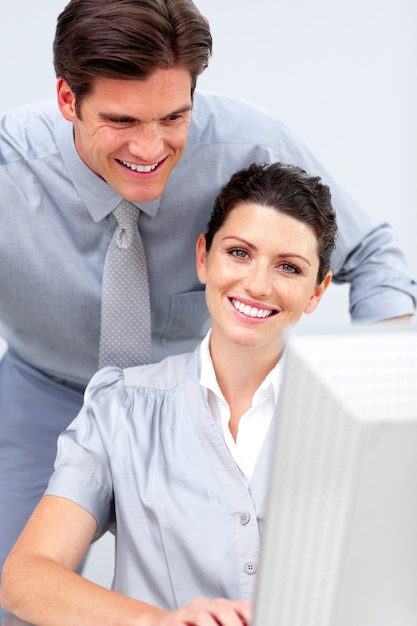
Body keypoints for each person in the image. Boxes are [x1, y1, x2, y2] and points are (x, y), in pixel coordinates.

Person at [0, 0, 415, 606]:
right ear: (68, 101)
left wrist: (387, 408)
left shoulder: (245, 143)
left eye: (174, 116)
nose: (151, 146)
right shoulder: (10, 171)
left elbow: (370, 253)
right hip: (44, 389)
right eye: (121, 120)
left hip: (203, 393)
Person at [1, 161, 336, 626]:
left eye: (289, 267)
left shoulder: (349, 421)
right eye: (239, 253)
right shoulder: (120, 409)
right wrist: (157, 622)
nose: (258, 285)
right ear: (203, 257)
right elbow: (25, 578)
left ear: (317, 292)